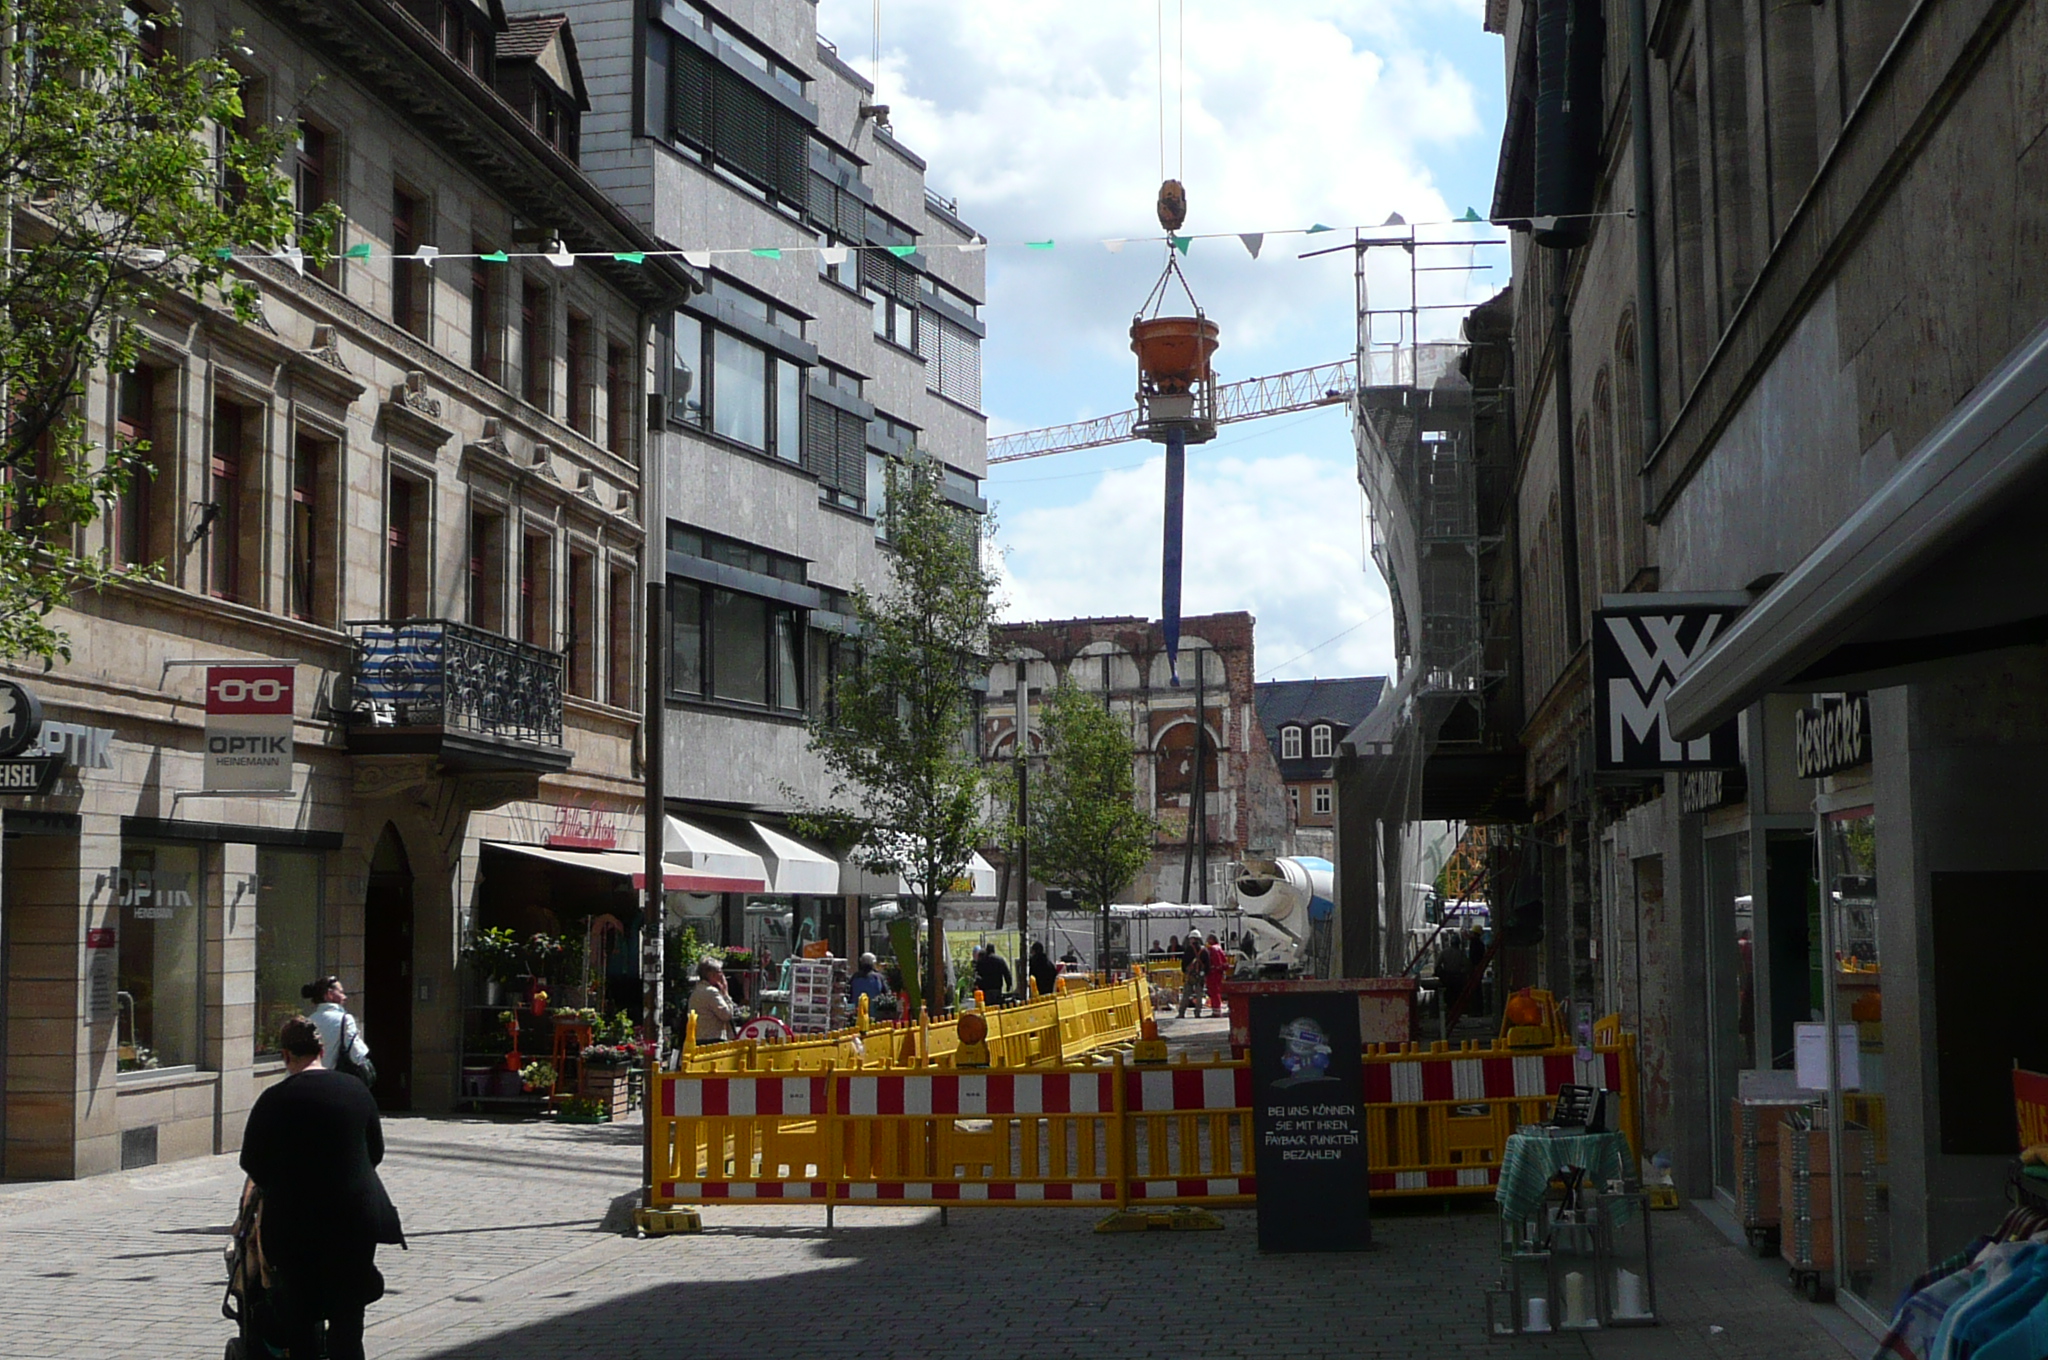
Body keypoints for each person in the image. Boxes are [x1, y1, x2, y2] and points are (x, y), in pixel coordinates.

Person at [240, 1016, 403, 1360]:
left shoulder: (273, 1099)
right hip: (355, 1222)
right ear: (322, 1051)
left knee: (300, 1322)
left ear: (286, 1055)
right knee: (348, 1323)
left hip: (295, 1226)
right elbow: (375, 1153)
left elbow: (253, 1163)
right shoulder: (356, 1090)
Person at [303, 976, 374, 1088]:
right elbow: (357, 1055)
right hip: (334, 1083)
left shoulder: (308, 1021)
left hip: (311, 1083)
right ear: (329, 994)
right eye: (341, 992)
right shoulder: (345, 1019)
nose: (345, 997)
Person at [689, 958, 736, 1043]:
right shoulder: (711, 992)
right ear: (711, 974)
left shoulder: (697, 990)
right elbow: (727, 1015)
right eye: (719, 971)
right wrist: (725, 993)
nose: (722, 975)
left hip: (699, 1038)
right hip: (712, 1039)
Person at [1178, 933, 1207, 1018]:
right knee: (1199, 995)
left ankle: (1182, 1012)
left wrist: (1185, 971)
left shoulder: (1189, 950)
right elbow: (1207, 964)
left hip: (1190, 975)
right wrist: (1204, 973)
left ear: (1193, 939)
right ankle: (1198, 1012)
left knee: (1186, 994)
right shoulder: (1204, 950)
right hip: (1200, 975)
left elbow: (1184, 962)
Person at [1203, 933, 1228, 1015]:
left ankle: (1216, 1011)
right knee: (1216, 991)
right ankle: (1217, 1010)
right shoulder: (1219, 948)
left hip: (1213, 973)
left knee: (1213, 992)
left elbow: (1214, 962)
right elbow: (1224, 962)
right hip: (1218, 973)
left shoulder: (1212, 949)